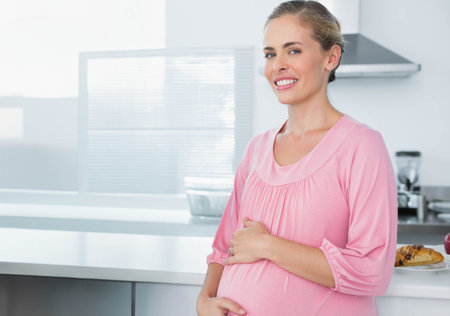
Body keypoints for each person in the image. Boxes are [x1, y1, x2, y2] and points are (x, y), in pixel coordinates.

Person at [196, 1, 397, 315]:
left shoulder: (361, 146)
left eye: (293, 50)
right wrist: (204, 300)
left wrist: (268, 246)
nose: (277, 65)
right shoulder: (257, 149)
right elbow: (224, 247)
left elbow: (372, 270)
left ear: (331, 57)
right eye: (270, 53)